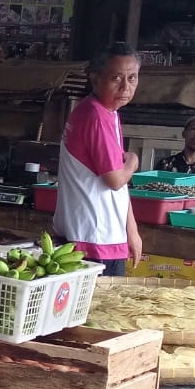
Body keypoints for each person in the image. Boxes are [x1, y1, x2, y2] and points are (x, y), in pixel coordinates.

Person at [52, 42, 142, 276]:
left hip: (101, 234)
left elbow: (118, 183)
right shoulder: (95, 116)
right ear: (95, 79)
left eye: (132, 78)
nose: (126, 86)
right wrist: (133, 160)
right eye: (116, 78)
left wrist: (130, 230)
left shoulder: (107, 112)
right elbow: (115, 179)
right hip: (94, 239)